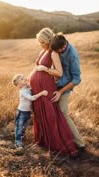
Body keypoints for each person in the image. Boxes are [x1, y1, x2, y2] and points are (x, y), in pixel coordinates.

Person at [29, 27, 78, 156]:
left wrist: (44, 69)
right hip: (38, 89)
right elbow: (37, 67)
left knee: (52, 115)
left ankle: (60, 144)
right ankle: (45, 141)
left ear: (47, 41)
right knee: (41, 113)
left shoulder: (53, 53)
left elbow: (59, 73)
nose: (40, 44)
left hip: (46, 88)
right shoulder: (43, 51)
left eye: (41, 42)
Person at [50, 34, 85, 150]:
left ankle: (80, 143)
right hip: (55, 86)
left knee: (63, 112)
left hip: (65, 87)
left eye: (59, 50)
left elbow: (76, 79)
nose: (58, 52)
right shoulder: (57, 44)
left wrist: (60, 92)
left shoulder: (72, 55)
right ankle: (61, 138)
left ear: (64, 46)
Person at [12, 74, 48, 149]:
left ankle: (21, 136)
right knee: (19, 127)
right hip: (21, 112)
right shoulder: (22, 91)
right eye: (21, 79)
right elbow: (31, 98)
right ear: (19, 85)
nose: (24, 79)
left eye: (23, 77)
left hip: (28, 112)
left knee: (25, 126)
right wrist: (42, 93)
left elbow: (31, 87)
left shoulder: (27, 87)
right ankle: (17, 142)